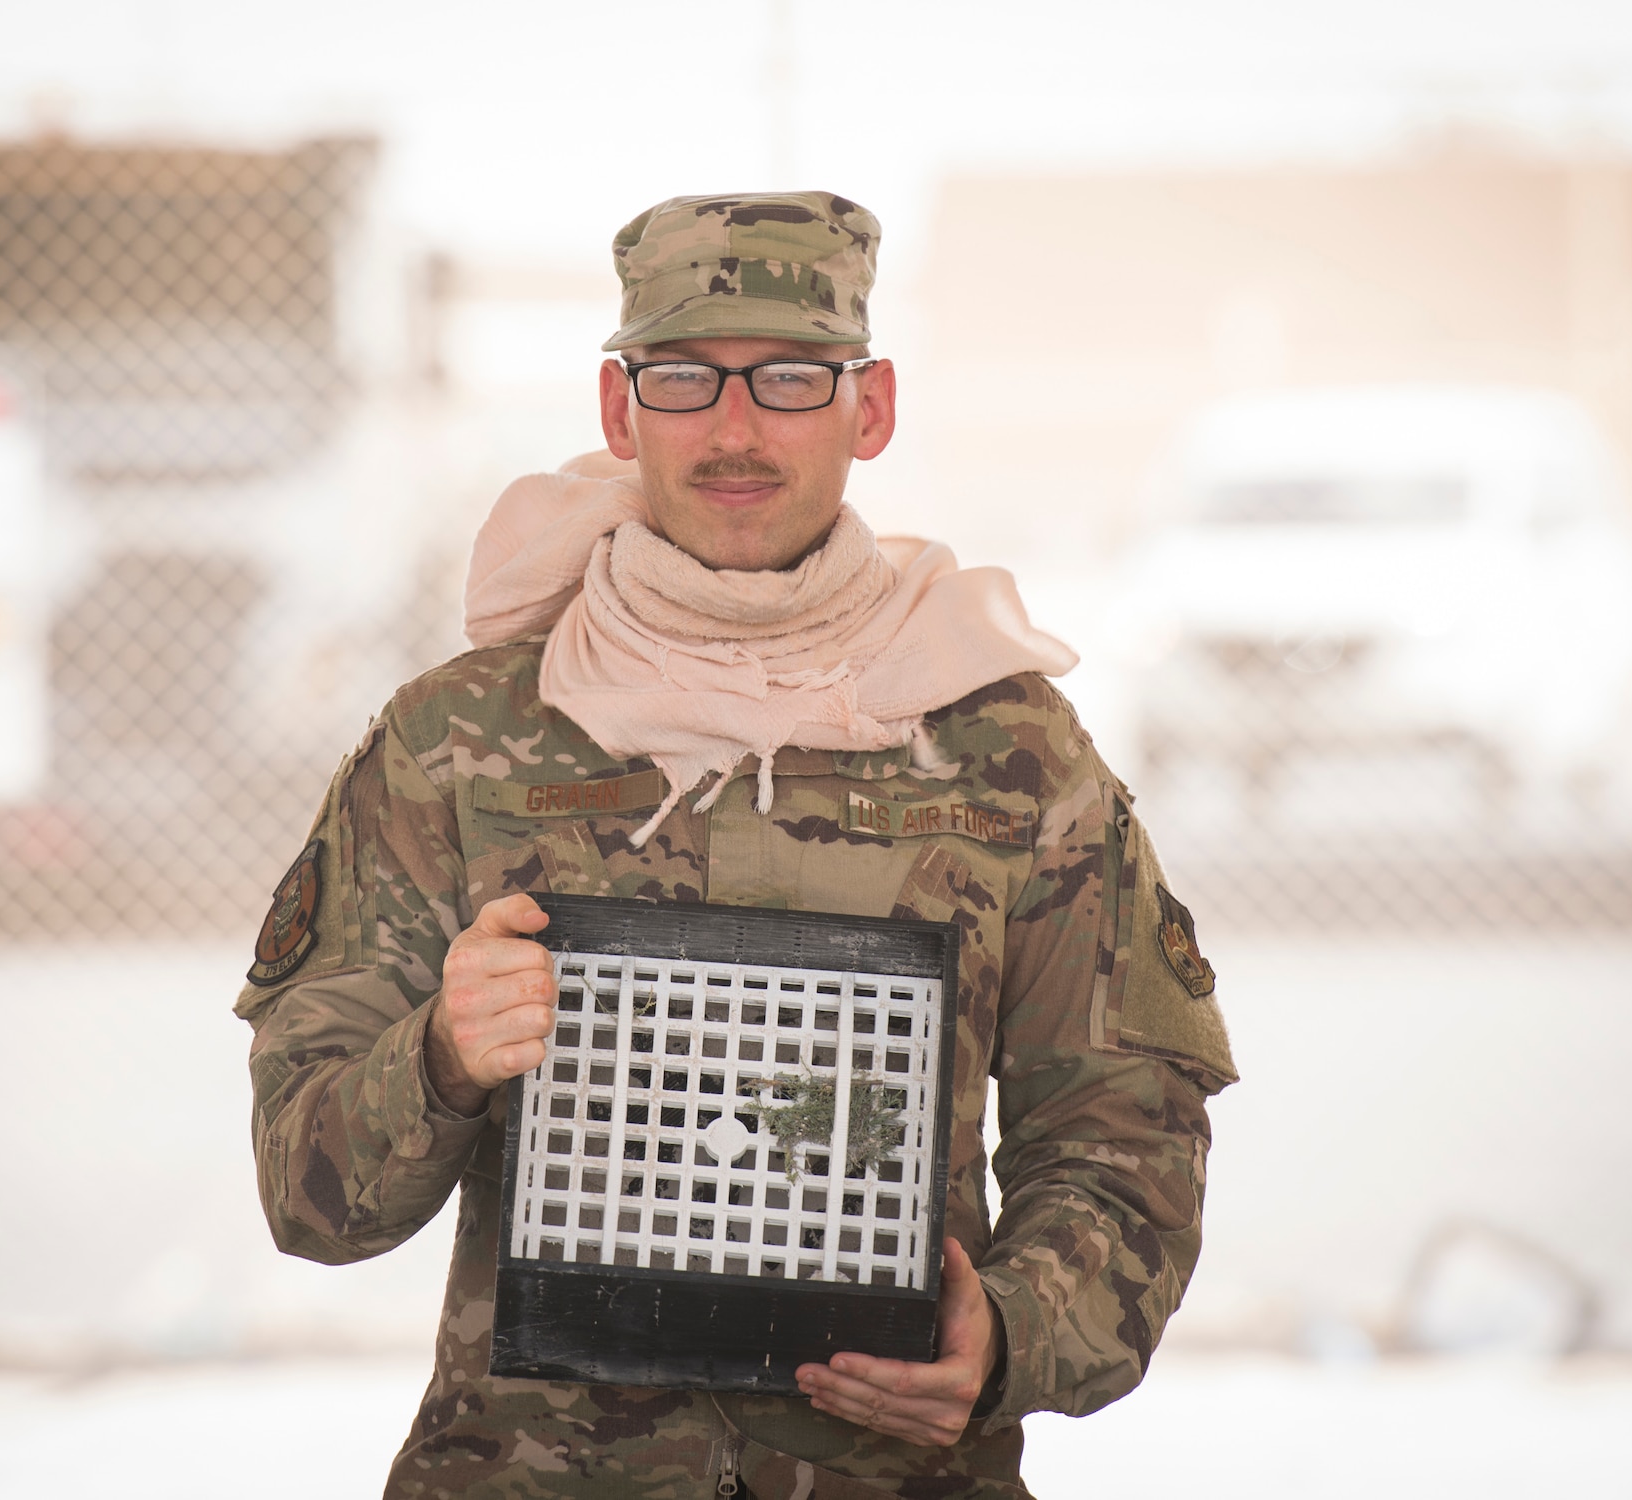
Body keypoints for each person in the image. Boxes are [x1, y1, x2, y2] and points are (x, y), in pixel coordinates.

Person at [235, 191, 1236, 1499]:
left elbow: (1124, 1130)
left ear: (869, 408)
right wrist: (438, 1056)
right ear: (617, 408)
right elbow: (311, 1195)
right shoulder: (458, 745)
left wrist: (1010, 1334)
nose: (735, 426)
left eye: (789, 379)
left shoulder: (1007, 749)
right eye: (684, 378)